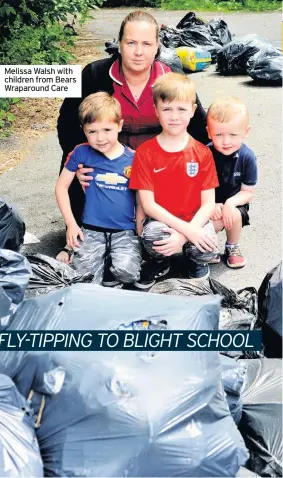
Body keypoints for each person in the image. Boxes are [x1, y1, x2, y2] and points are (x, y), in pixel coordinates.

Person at [57, 10, 209, 235]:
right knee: (75, 161)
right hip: (106, 164)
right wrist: (80, 166)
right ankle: (80, 226)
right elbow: (67, 125)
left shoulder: (171, 76)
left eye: (147, 44)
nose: (139, 52)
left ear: (158, 45)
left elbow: (199, 129)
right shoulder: (93, 74)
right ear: (119, 44)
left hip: (158, 165)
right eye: (131, 43)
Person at [129, 72, 219, 289]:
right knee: (152, 236)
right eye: (167, 109)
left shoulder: (202, 153)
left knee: (207, 246)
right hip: (162, 222)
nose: (174, 116)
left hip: (195, 219)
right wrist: (184, 232)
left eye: (181, 109)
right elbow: (148, 205)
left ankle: (196, 264)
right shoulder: (145, 152)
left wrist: (185, 234)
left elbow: (208, 204)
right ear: (156, 111)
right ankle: (161, 262)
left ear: (193, 111)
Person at [55, 92, 142, 286]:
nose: (100, 138)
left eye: (107, 130)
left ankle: (114, 257)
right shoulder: (80, 153)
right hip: (91, 229)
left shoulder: (134, 159)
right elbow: (61, 187)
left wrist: (140, 225)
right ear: (83, 130)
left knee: (128, 272)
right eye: (92, 131)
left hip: (124, 230)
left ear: (120, 125)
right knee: (85, 280)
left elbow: (141, 196)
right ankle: (96, 256)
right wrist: (71, 223)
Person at [206, 96, 257, 269]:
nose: (226, 141)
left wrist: (230, 202)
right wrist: (210, 204)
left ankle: (232, 246)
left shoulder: (247, 157)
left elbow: (248, 191)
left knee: (233, 214)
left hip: (235, 203)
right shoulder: (204, 154)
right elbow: (195, 186)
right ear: (208, 132)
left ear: (246, 132)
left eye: (233, 135)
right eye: (218, 135)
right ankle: (208, 246)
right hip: (206, 201)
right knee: (212, 223)